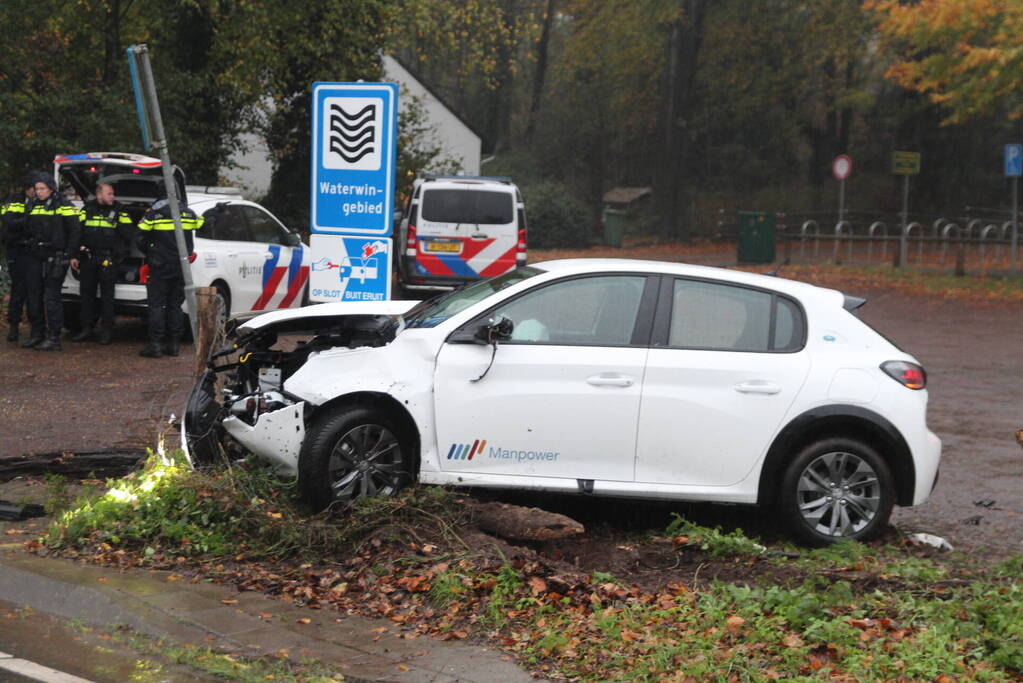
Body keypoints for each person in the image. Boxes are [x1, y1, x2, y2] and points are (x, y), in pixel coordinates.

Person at [137, 197, 202, 358]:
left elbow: (139, 236)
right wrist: (216, 212)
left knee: (157, 305)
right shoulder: (188, 213)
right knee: (175, 306)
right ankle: (174, 345)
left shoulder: (154, 214)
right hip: (181, 266)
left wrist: (150, 253)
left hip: (159, 266)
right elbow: (204, 223)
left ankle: (156, 345)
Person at [70, 182, 134, 344]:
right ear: (99, 195)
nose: (112, 196)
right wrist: (75, 255)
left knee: (107, 298)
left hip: (108, 259)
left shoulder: (120, 210)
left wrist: (117, 225)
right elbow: (77, 232)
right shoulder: (87, 209)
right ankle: (86, 329)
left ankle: (106, 332)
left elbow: (128, 234)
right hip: (88, 258)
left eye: (112, 193)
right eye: (109, 193)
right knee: (86, 296)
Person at [22, 172, 79, 351]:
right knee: (33, 296)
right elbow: (28, 228)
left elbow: (75, 231)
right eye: (36, 188)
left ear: (51, 189)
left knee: (52, 297)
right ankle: (37, 333)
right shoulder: (32, 204)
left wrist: (69, 255)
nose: (38, 192)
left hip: (55, 256)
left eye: (42, 189)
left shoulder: (64, 205)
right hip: (35, 255)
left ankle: (54, 337)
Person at [1, 172, 40, 342]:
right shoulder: (14, 200)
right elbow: (10, 222)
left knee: (33, 291)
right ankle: (14, 325)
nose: (35, 192)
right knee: (18, 290)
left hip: (32, 251)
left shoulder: (41, 201)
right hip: (16, 250)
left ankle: (35, 328)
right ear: (27, 188)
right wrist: (29, 221)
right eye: (33, 189)